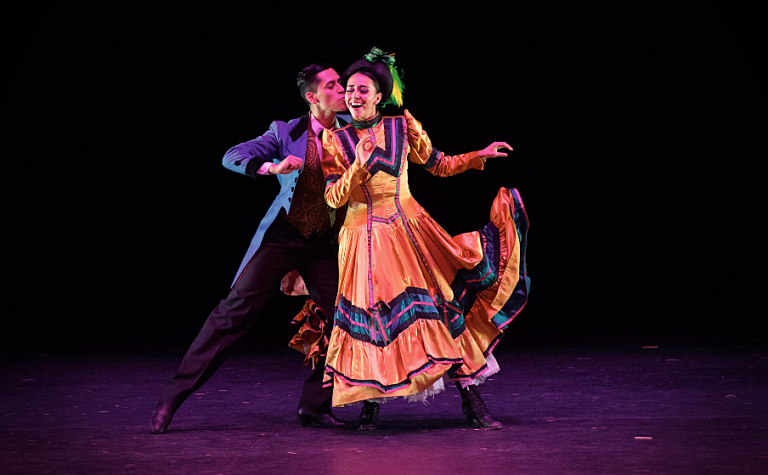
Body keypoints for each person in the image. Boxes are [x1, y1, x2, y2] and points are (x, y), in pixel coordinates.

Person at [320, 48, 530, 430]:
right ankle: (370, 402)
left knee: (439, 310)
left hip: (408, 232)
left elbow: (439, 164)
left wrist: (477, 155)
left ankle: (470, 397)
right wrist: (358, 166)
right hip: (361, 240)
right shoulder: (335, 140)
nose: (354, 96)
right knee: (372, 320)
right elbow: (333, 198)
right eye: (349, 90)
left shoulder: (402, 126)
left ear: (379, 96)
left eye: (363, 90)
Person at [150, 63, 352, 434]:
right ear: (312, 96)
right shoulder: (286, 131)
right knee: (232, 315)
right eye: (333, 85)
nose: (342, 89)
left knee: (346, 320)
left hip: (323, 242)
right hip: (283, 236)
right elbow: (233, 155)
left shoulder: (353, 132)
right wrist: (272, 168)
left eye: (342, 82)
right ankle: (171, 398)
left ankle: (314, 405)